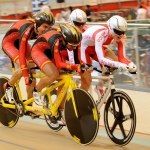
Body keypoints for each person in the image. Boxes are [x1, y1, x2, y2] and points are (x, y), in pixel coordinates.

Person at [28, 24, 88, 107]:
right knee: (53, 74)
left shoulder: (75, 41)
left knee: (63, 81)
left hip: (52, 52)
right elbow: (59, 64)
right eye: (71, 45)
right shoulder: (55, 39)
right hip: (39, 51)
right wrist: (75, 67)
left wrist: (82, 66)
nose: (74, 48)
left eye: (76, 45)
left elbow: (77, 61)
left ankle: (59, 109)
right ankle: (36, 90)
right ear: (65, 40)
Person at [2, 12, 55, 104]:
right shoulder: (27, 29)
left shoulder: (39, 30)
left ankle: (29, 104)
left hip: (22, 42)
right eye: (45, 27)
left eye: (49, 28)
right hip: (9, 43)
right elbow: (22, 54)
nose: (47, 29)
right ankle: (8, 86)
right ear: (37, 24)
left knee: (33, 72)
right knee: (26, 65)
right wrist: (26, 76)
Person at [80, 15, 137, 98]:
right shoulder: (100, 35)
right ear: (110, 28)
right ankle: (79, 103)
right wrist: (118, 64)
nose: (120, 35)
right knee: (87, 80)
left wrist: (130, 64)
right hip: (84, 49)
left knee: (114, 61)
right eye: (117, 31)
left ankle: (99, 87)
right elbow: (101, 59)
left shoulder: (120, 36)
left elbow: (122, 58)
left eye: (123, 32)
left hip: (96, 47)